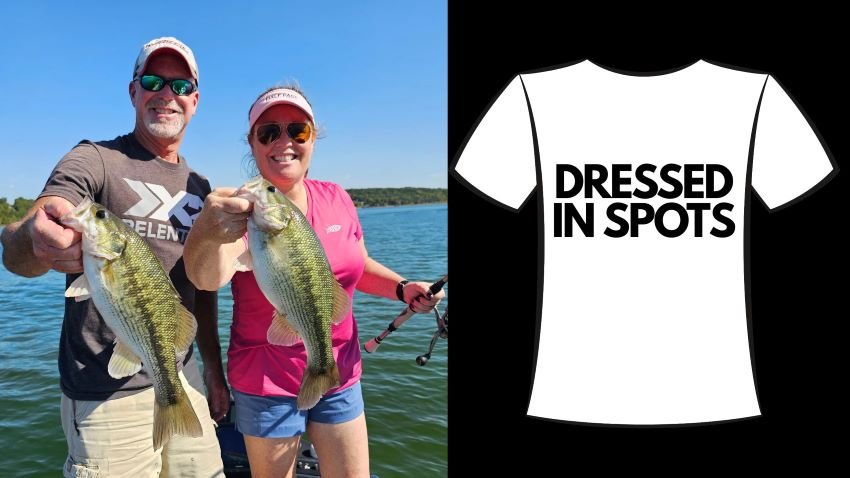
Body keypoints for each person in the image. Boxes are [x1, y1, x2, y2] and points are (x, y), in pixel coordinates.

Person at [183, 85, 444, 478]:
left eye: (297, 131)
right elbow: (208, 277)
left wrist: (401, 288)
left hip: (338, 370)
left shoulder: (336, 197)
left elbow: (358, 265)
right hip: (264, 378)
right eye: (269, 132)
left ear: (313, 139)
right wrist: (208, 230)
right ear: (252, 143)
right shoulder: (239, 214)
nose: (283, 142)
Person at [0, 37, 227, 477]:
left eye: (179, 86)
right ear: (133, 91)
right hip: (105, 392)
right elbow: (18, 248)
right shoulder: (95, 159)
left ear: (195, 101)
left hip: (183, 377)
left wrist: (213, 369)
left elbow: (203, 291)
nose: (166, 94)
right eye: (152, 81)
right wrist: (33, 236)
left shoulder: (201, 187)